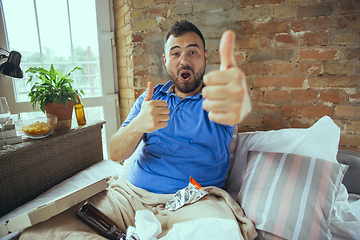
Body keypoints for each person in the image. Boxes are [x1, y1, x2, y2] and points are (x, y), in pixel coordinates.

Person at [109, 20, 252, 194]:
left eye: (192, 52)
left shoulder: (216, 100)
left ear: (205, 58)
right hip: (134, 195)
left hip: (195, 202)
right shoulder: (149, 99)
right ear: (165, 60)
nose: (184, 61)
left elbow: (235, 109)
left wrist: (238, 100)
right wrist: (136, 126)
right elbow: (115, 153)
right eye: (175, 53)